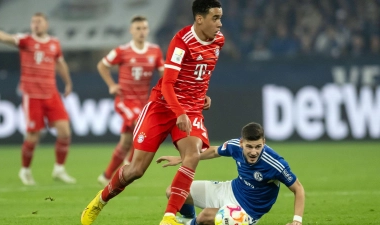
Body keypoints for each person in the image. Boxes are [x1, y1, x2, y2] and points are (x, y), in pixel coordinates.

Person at [80, 0, 225, 225]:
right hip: (162, 107)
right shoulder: (181, 42)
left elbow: (202, 72)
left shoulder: (219, 41)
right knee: (136, 170)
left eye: (220, 18)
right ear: (199, 19)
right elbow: (167, 84)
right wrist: (179, 112)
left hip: (191, 109)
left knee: (193, 155)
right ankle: (100, 200)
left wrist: (201, 94)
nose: (219, 24)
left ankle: (169, 217)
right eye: (215, 18)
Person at [0, 13, 76, 185]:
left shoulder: (54, 43)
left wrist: (68, 83)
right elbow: (4, 38)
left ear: (46, 24)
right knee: (33, 136)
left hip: (52, 93)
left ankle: (59, 169)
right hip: (32, 95)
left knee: (65, 131)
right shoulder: (26, 41)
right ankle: (25, 171)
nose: (35, 24)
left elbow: (60, 63)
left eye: (39, 21)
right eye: (33, 22)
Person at [156, 122, 305, 225]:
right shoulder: (234, 146)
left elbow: (298, 188)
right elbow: (214, 151)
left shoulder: (274, 164)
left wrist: (297, 220)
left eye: (258, 147)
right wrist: (183, 158)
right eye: (249, 147)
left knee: (205, 217)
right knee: (174, 190)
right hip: (229, 190)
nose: (254, 152)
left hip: (246, 211)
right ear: (241, 143)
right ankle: (187, 218)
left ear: (264, 142)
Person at [96, 15, 165, 186]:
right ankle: (130, 163)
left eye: (144, 28)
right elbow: (102, 65)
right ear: (131, 31)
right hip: (125, 100)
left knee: (126, 142)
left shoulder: (155, 51)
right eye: (138, 29)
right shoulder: (122, 50)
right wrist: (112, 85)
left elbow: (163, 73)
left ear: (148, 30)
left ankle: (105, 176)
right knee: (138, 124)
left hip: (143, 102)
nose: (142, 32)